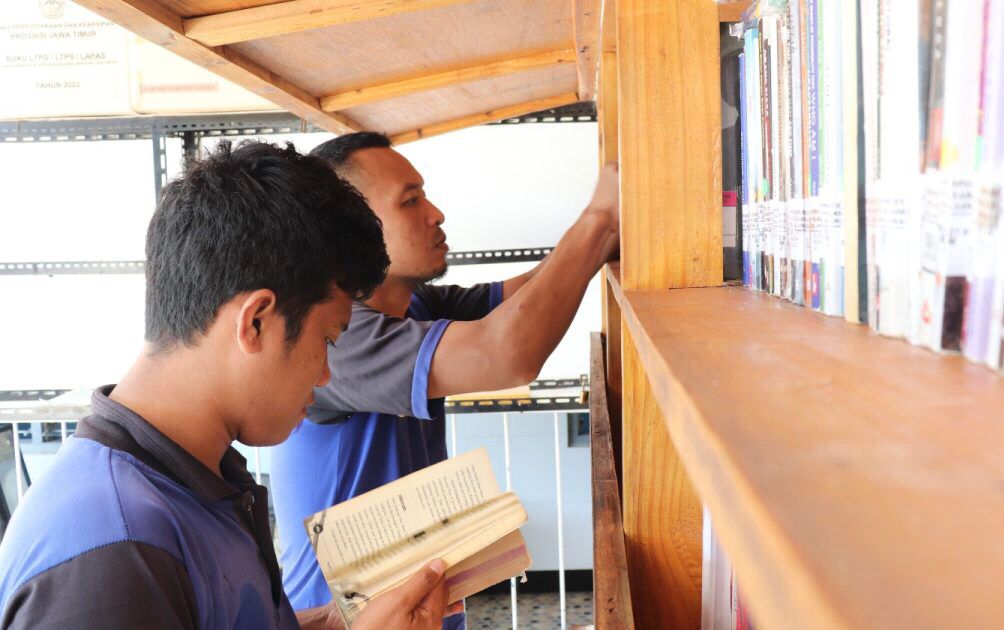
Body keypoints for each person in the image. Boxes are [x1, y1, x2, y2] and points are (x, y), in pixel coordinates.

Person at [0, 141, 461, 630]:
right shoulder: (115, 551)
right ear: (256, 322)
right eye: (328, 338)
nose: (325, 374)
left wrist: (334, 623)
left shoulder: (192, 479)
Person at [269, 132, 619, 626]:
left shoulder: (413, 306)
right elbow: (509, 352)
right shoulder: (339, 338)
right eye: (410, 201)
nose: (435, 213)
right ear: (350, 230)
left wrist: (601, 239)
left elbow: (527, 301)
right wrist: (598, 220)